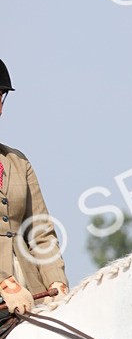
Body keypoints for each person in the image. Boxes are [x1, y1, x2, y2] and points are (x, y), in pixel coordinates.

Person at [0, 58, 69, 316]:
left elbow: (41, 233)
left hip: (34, 292)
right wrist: (4, 283)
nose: (0, 110)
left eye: (0, 97)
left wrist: (56, 281)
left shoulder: (18, 162)